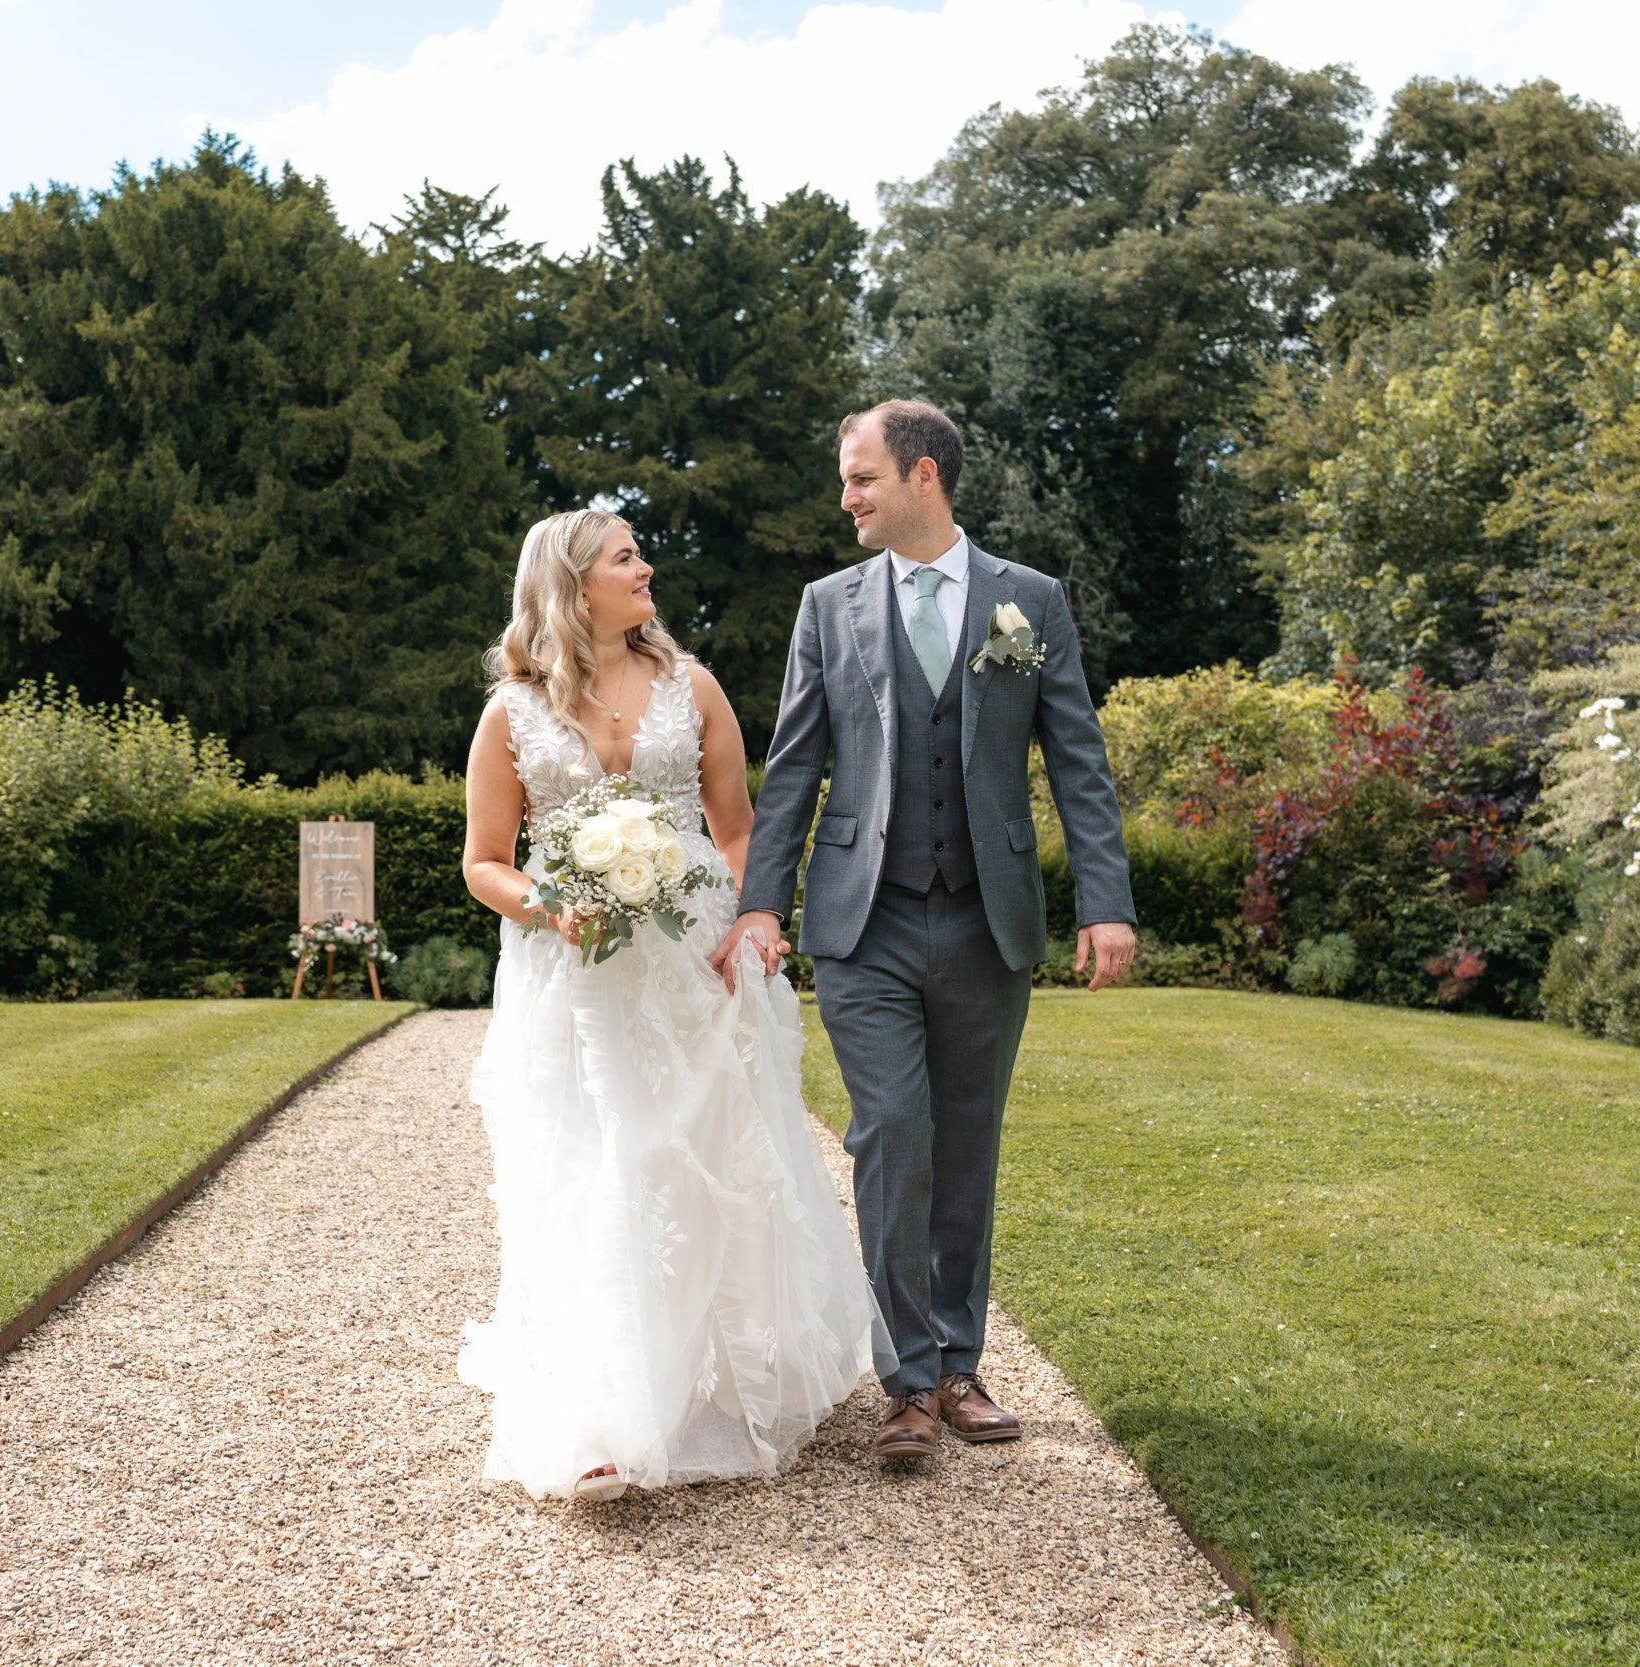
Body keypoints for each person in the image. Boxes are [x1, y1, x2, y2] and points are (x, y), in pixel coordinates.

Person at [712, 399, 1136, 1461]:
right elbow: (797, 762)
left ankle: (957, 1367)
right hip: (866, 920)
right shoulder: (827, 605)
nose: (846, 497)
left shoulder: (1026, 601)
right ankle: (902, 1381)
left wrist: (1107, 899)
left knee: (966, 1144)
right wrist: (763, 899)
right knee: (891, 1132)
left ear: (923, 477)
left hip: (989, 924)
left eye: (860, 478)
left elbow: (1075, 759)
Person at [457, 508, 890, 1503]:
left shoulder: (689, 686)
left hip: (692, 965)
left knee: (704, 1161)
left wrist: (749, 925)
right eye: (624, 556)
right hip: (580, 976)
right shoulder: (510, 713)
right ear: (574, 585)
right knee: (600, 1162)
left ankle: (718, 1381)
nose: (645, 566)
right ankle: (599, 1414)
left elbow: (737, 833)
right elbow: (484, 862)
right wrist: (549, 901)